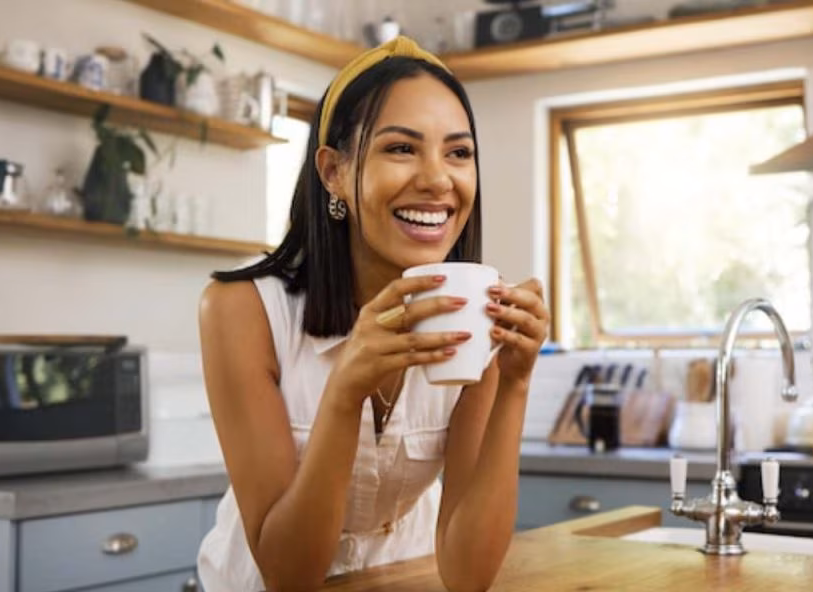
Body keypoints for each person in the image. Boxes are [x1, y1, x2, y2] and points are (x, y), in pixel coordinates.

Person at [196, 37, 549, 592]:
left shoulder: (475, 318)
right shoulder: (242, 311)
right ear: (333, 171)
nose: (438, 179)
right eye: (402, 149)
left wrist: (514, 385)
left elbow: (468, 574)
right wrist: (345, 391)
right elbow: (289, 577)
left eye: (458, 153)